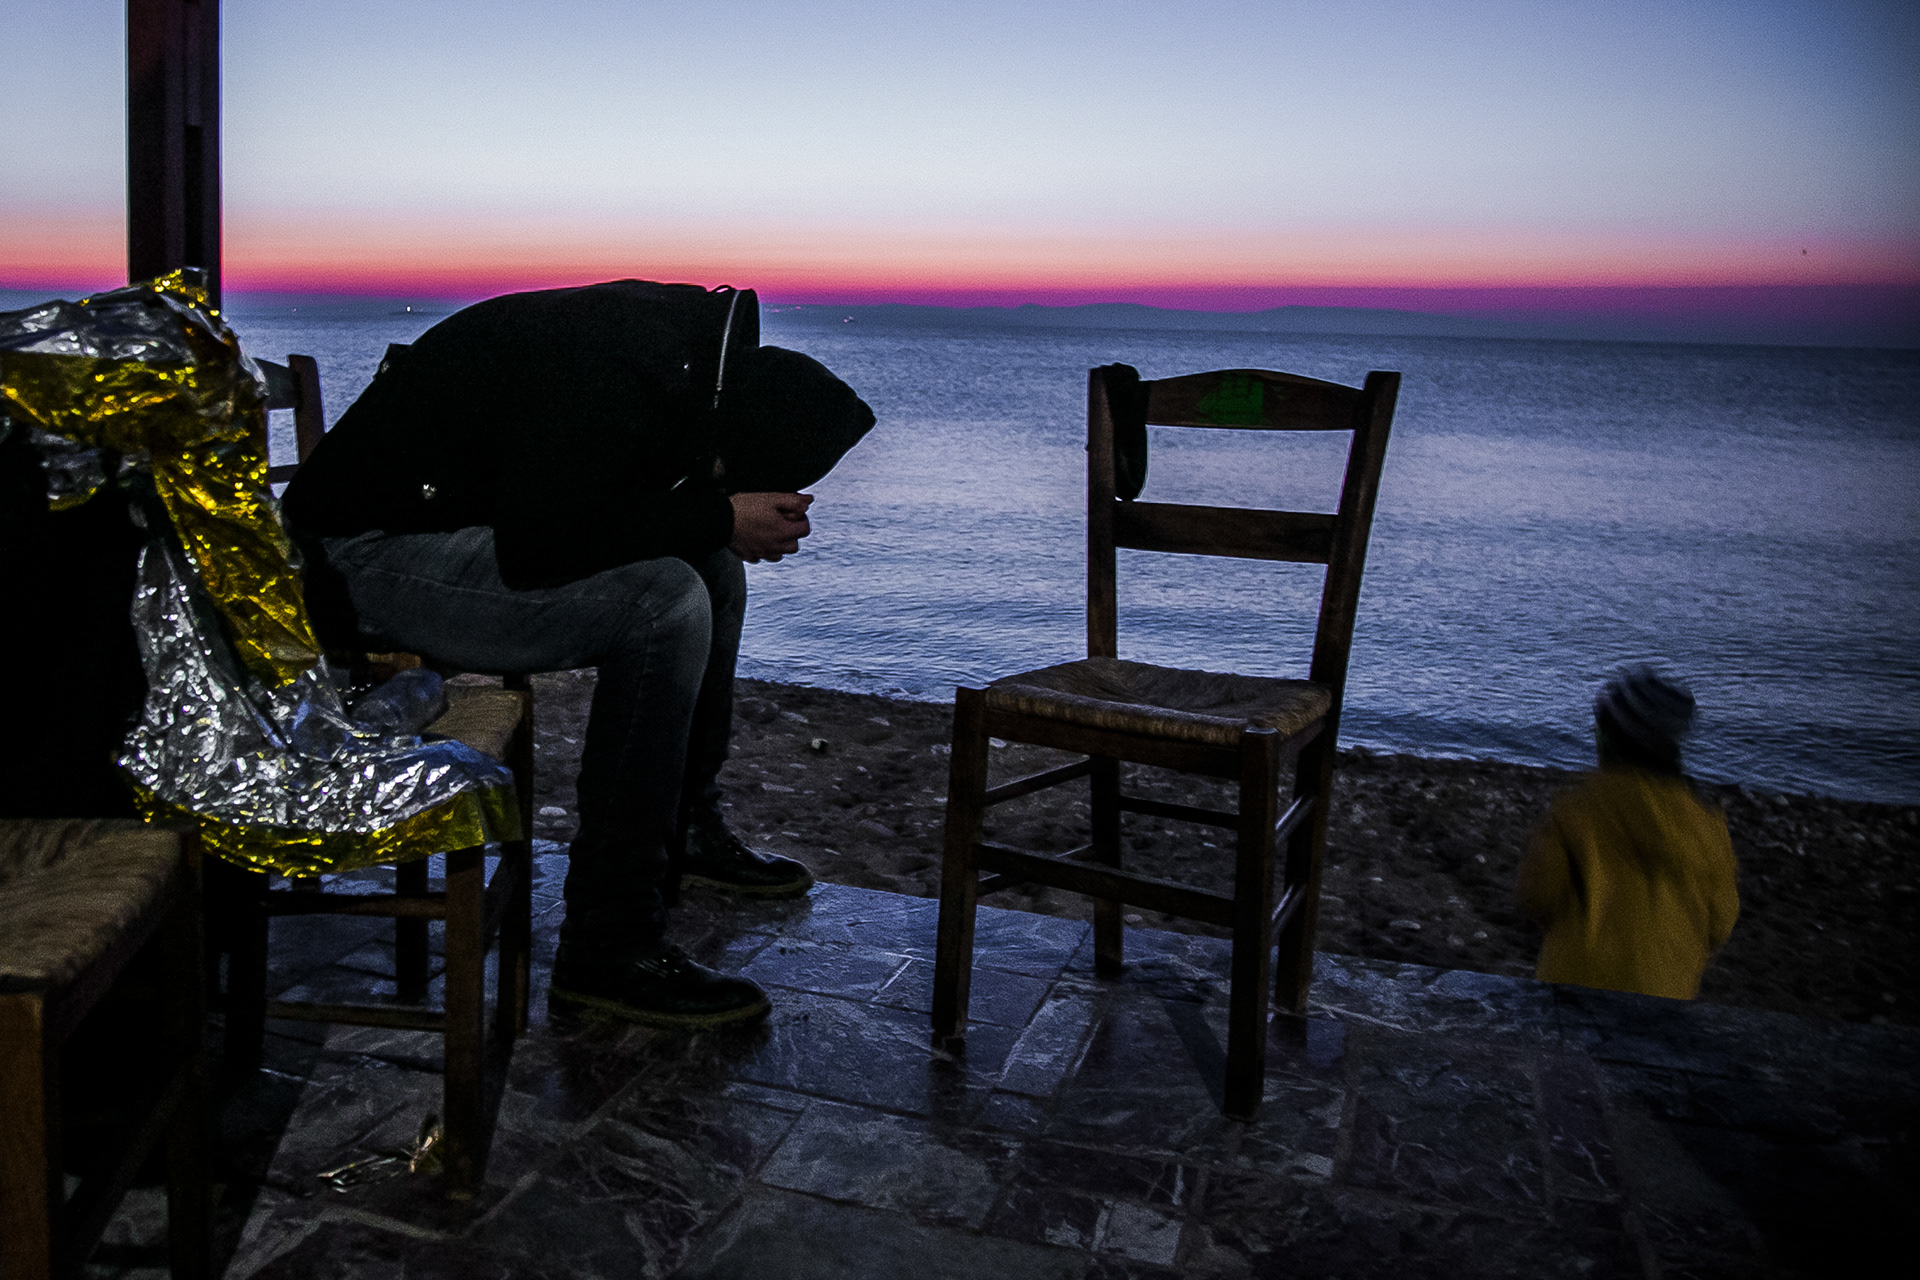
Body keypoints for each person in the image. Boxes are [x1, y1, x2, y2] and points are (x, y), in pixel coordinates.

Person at [281, 280, 874, 1028]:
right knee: (665, 602)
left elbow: (572, 499)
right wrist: (717, 513)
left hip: (440, 527)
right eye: (734, 473)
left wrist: (713, 521)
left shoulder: (671, 360)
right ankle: (609, 942)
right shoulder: (614, 370)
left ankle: (686, 827)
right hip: (353, 558)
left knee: (711, 567)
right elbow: (542, 543)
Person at [1518, 664, 1740, 1000]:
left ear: (1609, 740)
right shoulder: (1706, 824)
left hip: (1573, 985)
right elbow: (1720, 924)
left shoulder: (1575, 809)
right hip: (1666, 994)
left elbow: (1537, 896)